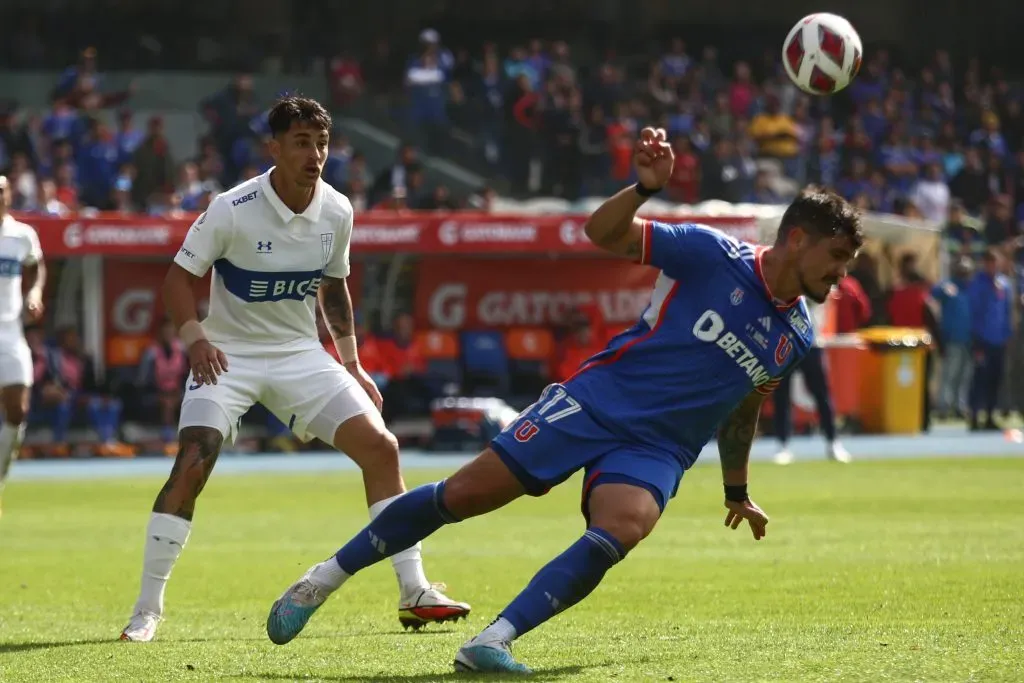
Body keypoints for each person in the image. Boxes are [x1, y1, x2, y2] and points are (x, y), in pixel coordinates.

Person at [265, 128, 864, 674]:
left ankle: (491, 642)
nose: (840, 275)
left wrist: (736, 489)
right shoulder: (711, 254)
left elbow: (744, 406)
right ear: (798, 238)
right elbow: (601, 233)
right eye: (836, 258)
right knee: (462, 496)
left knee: (623, 528)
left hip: (660, 448)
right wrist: (643, 189)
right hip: (597, 401)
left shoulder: (797, 334)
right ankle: (319, 582)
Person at [119, 97, 469, 642]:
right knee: (193, 460)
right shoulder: (230, 208)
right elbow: (175, 281)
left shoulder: (337, 210)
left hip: (299, 353)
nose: (315, 154)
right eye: (302, 142)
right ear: (274, 148)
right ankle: (146, 610)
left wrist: (352, 364)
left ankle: (414, 591)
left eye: (322, 142)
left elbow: (334, 287)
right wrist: (194, 341)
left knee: (383, 448)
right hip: (228, 354)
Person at [0, 175, 46, 518]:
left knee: (18, 411)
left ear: (9, 194)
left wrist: (34, 292)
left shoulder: (21, 235)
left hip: (10, 332)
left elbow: (37, 265)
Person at [771, 301, 851, 465]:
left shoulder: (813, 279)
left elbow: (816, 298)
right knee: (781, 395)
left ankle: (833, 442)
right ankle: (782, 445)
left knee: (822, 394)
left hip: (811, 342)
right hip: (785, 342)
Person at [967, 249, 1012, 431]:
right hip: (982, 339)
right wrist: (975, 339)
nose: (992, 266)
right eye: (989, 263)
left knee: (996, 378)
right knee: (980, 378)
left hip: (999, 339)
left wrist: (1007, 333)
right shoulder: (977, 284)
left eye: (995, 262)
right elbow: (973, 312)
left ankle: (990, 415)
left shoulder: (1004, 284)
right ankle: (975, 415)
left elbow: (1006, 311)